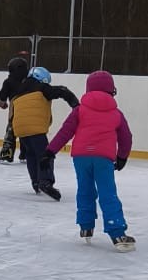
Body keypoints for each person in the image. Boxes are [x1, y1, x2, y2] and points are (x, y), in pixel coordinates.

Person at [48, 68, 136, 248]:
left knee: (85, 190)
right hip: (103, 158)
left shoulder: (80, 110)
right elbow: (126, 137)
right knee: (107, 193)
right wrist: (122, 157)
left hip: (81, 157)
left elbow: (66, 131)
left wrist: (50, 151)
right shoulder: (116, 113)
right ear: (112, 90)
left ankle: (86, 226)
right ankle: (117, 233)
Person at [6, 66, 79, 200]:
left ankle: (36, 182)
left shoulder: (18, 92)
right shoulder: (41, 88)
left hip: (20, 129)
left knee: (31, 155)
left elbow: (13, 112)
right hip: (35, 129)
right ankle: (45, 181)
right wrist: (76, 105)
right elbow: (61, 91)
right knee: (45, 154)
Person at [0, 51, 32, 163]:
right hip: (29, 112)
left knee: (11, 134)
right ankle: (25, 155)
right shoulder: (30, 81)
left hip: (15, 112)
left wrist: (3, 105)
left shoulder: (8, 82)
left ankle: (6, 155)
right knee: (26, 134)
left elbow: (2, 99)